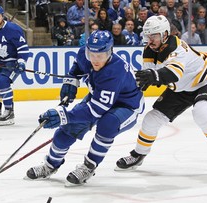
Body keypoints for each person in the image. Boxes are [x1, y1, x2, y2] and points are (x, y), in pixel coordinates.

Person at [115, 15, 207, 177]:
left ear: (165, 34)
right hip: (181, 88)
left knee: (202, 112)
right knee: (151, 119)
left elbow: (173, 73)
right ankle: (138, 155)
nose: (150, 40)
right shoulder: (149, 50)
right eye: (147, 36)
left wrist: (153, 76)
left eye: (154, 35)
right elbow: (147, 79)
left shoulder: (176, 47)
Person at [26, 30, 144, 185]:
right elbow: (78, 66)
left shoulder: (115, 71)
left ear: (110, 52)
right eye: (91, 54)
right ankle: (50, 165)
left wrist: (63, 115)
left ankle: (89, 166)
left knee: (107, 125)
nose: (95, 60)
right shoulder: (85, 54)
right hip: (99, 97)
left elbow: (96, 110)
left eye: (100, 56)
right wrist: (71, 81)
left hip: (127, 105)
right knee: (66, 131)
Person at [0, 5, 30, 126]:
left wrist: (22, 61)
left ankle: (9, 111)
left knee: (2, 81)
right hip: (2, 61)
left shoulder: (13, 29)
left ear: (3, 16)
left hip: (14, 61)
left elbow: (23, 48)